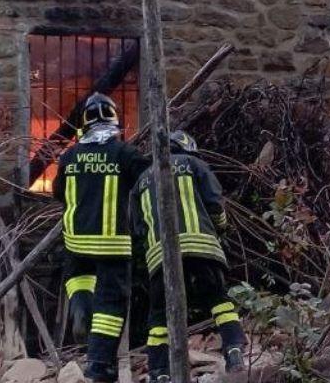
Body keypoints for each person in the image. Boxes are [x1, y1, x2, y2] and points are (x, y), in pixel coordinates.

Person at [131, 130, 247, 383]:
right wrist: (221, 227)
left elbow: (138, 228)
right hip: (201, 246)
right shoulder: (195, 164)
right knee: (218, 300)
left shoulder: (141, 181)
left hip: (159, 256)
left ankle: (160, 373)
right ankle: (234, 352)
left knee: (159, 318)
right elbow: (215, 204)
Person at [52, 92, 148, 382]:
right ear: (114, 120)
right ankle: (99, 365)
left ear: (84, 123)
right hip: (112, 243)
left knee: (78, 278)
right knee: (110, 304)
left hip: (75, 240)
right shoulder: (124, 153)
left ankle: (81, 306)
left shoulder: (69, 156)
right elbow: (148, 181)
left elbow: (58, 193)